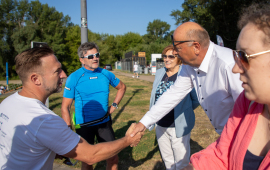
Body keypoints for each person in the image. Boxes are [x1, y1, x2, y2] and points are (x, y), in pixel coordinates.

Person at [0, 47, 142, 169]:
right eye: (57, 71)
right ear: (35, 79)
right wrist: (128, 140)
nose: (64, 75)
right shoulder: (45, 119)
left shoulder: (7, 103)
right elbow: (91, 155)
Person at [181, 3, 270, 170]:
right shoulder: (247, 101)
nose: (235, 68)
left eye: (244, 56)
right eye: (236, 56)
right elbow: (223, 153)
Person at [130, 21, 243, 138]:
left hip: (243, 136)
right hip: (226, 135)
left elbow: (251, 111)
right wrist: (144, 122)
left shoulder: (229, 65)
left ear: (196, 47)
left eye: (177, 47)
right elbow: (174, 94)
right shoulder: (189, 65)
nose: (174, 52)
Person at [61, 42, 126, 170]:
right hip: (84, 125)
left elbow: (122, 87)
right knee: (87, 161)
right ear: (82, 60)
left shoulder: (105, 73)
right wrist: (68, 128)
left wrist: (114, 106)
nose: (95, 58)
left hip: (104, 122)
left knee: (113, 158)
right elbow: (65, 106)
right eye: (91, 56)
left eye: (97, 55)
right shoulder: (74, 77)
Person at [150, 44, 199, 169]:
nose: (167, 59)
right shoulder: (160, 73)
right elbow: (154, 95)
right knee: (168, 161)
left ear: (179, 58)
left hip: (178, 125)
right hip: (160, 124)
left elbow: (196, 99)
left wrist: (184, 110)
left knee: (181, 162)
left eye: (171, 56)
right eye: (165, 56)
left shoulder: (185, 74)